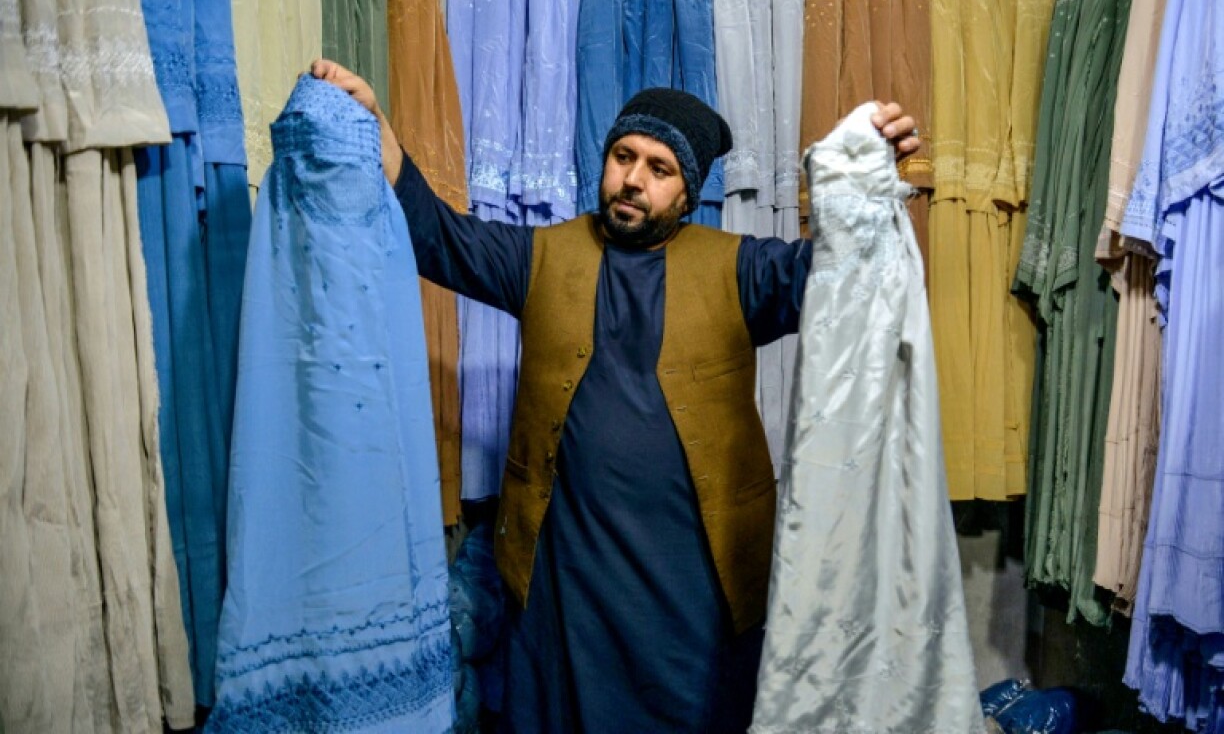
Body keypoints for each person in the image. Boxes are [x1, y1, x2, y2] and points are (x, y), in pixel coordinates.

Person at [310, 58, 919, 733]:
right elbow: (440, 238)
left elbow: (839, 276)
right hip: (566, 587)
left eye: (660, 169)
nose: (633, 179)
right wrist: (379, 132)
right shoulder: (543, 257)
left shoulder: (739, 268)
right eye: (624, 156)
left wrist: (867, 185)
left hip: (694, 593)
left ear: (688, 195)